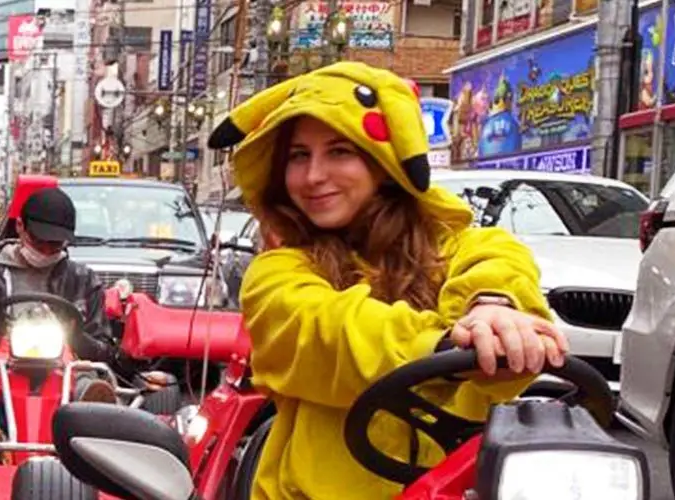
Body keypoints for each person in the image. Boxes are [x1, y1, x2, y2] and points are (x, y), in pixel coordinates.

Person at [210, 62, 567, 499]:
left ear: (385, 163)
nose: (314, 176)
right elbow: (328, 332)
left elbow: (496, 261)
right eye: (298, 156)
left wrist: (493, 309)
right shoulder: (277, 273)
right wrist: (443, 350)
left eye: (340, 151)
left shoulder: (458, 248)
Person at [0, 186, 120, 464]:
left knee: (87, 378)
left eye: (55, 245)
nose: (46, 250)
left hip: (65, 364)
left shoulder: (83, 279)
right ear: (20, 228)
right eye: (40, 242)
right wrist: (0, 338)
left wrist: (76, 336)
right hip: (2, 362)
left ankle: (89, 438)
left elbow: (104, 350)